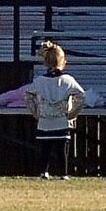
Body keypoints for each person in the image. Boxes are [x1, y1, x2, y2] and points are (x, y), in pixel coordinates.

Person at [26, 41, 86, 179]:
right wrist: (72, 114)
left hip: (45, 121)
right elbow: (81, 96)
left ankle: (43, 171)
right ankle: (63, 173)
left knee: (45, 149)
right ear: (63, 61)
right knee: (61, 150)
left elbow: (28, 95)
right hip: (61, 120)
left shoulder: (39, 81)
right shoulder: (68, 80)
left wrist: (35, 112)